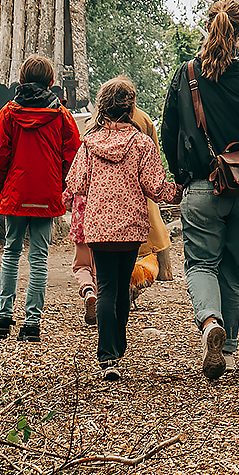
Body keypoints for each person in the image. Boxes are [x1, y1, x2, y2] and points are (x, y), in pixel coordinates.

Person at [160, 0, 239, 381]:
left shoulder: (187, 73)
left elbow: (168, 130)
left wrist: (181, 175)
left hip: (204, 184)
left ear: (209, 27)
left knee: (200, 263)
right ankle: (231, 349)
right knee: (235, 270)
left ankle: (210, 322)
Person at [64, 77, 181, 380]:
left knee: (105, 287)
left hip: (99, 229)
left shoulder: (89, 143)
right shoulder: (142, 143)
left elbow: (76, 183)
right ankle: (118, 346)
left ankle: (106, 356)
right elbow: (156, 187)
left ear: (102, 108)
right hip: (131, 228)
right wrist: (179, 191)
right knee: (121, 289)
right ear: (131, 107)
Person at [0, 56, 82, 341]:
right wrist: (62, 186)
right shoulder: (62, 116)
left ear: (21, 78)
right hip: (46, 194)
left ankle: (4, 318)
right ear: (51, 82)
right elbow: (73, 157)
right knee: (39, 257)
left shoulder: (7, 113)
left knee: (11, 252)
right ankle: (31, 325)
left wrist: (1, 183)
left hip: (16, 192)